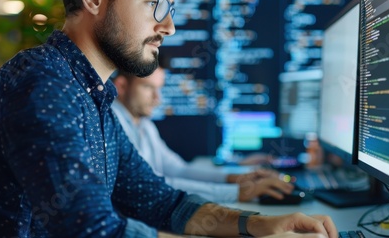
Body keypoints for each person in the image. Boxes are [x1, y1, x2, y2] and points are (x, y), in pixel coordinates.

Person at [0, 0, 338, 238]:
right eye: (155, 4)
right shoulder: (42, 83)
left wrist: (258, 225)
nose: (170, 26)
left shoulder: (95, 97)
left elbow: (161, 201)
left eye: (170, 9)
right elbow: (92, 231)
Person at [112, 65, 294, 203]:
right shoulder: (113, 123)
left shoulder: (143, 124)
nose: (157, 98)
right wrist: (237, 192)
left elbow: (178, 170)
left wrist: (235, 178)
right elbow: (150, 184)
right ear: (121, 86)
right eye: (148, 88)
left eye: (159, 89)